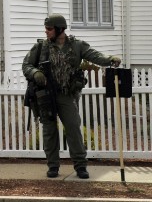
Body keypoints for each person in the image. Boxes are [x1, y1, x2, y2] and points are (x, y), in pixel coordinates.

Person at [22, 14, 121, 180]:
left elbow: (95, 56)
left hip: (66, 95)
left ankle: (80, 166)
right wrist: (35, 72)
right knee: (49, 130)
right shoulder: (40, 47)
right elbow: (26, 65)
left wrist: (110, 59)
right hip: (45, 95)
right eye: (46, 29)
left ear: (60, 29)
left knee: (73, 128)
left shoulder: (77, 46)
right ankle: (53, 166)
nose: (46, 32)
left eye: (49, 28)